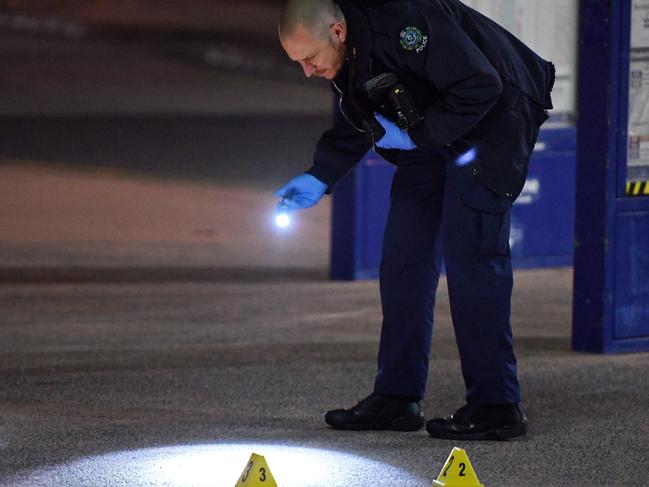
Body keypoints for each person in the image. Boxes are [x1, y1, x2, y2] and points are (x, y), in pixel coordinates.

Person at [275, 0, 554, 440]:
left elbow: (482, 84)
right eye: (298, 63)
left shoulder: (402, 24)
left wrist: (415, 136)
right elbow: (359, 116)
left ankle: (496, 405)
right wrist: (319, 174)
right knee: (404, 260)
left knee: (473, 263)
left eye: (309, 59)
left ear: (336, 31)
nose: (307, 71)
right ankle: (397, 398)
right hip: (436, 125)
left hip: (494, 120)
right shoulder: (346, 49)